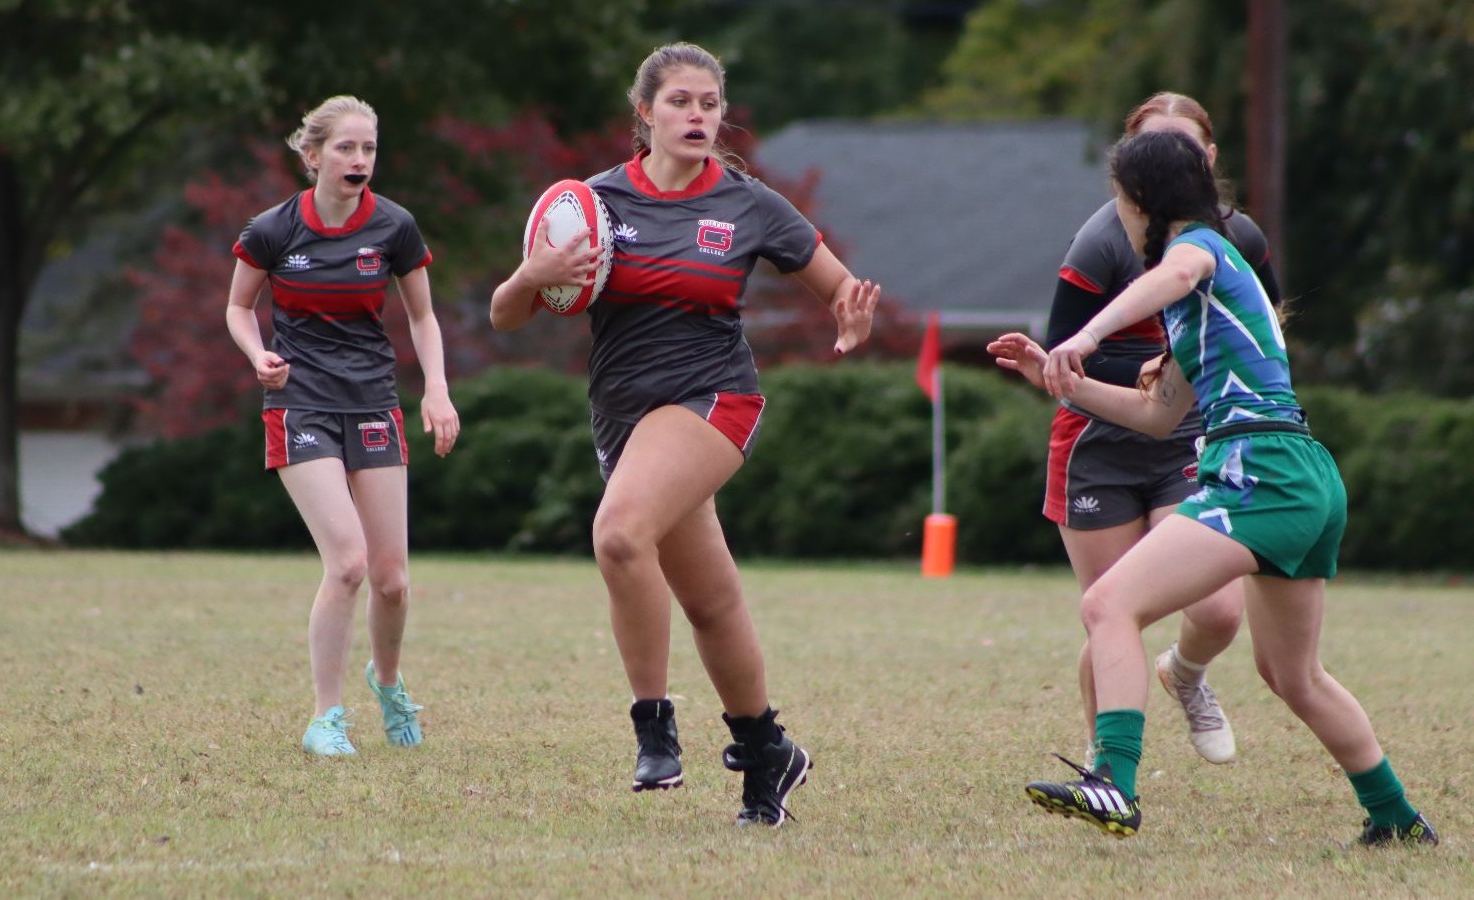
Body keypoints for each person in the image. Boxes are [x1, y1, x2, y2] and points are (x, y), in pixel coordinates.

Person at [989, 129, 1436, 846]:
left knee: (1107, 606)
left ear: (1142, 203)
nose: (1121, 218)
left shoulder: (1198, 250)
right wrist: (1060, 374)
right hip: (1299, 473)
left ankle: (1115, 786)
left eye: (1122, 203)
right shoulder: (1198, 297)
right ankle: (1397, 817)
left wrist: (1089, 334)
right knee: (1295, 676)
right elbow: (1157, 412)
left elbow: (1173, 272)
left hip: (1259, 469)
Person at [489, 42, 878, 827]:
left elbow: (837, 285)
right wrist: (532, 276)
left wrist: (852, 317)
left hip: (715, 400)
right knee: (710, 601)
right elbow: (506, 314)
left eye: (709, 103)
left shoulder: (749, 203)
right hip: (623, 417)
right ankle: (769, 756)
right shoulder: (590, 204)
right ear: (646, 113)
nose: (699, 115)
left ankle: (653, 727)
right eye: (681, 103)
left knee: (620, 535)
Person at [1042, 92, 1282, 766]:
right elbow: (1066, 348)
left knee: (1217, 612)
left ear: (1207, 159)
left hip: (1186, 432)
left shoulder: (1233, 238)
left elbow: (1263, 323)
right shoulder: (1100, 241)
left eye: (1184, 147)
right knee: (1112, 610)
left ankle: (1187, 675)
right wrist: (1141, 365)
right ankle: (1103, 762)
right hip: (1100, 438)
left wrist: (1183, 372)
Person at [225, 95, 460, 757]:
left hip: (374, 404)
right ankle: (325, 717)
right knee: (350, 563)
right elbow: (239, 307)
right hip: (299, 403)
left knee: (393, 578)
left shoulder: (394, 227)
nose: (360, 161)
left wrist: (436, 391)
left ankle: (386, 683)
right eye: (346, 148)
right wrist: (256, 353)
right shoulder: (273, 230)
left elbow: (422, 318)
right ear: (313, 157)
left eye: (369, 149)